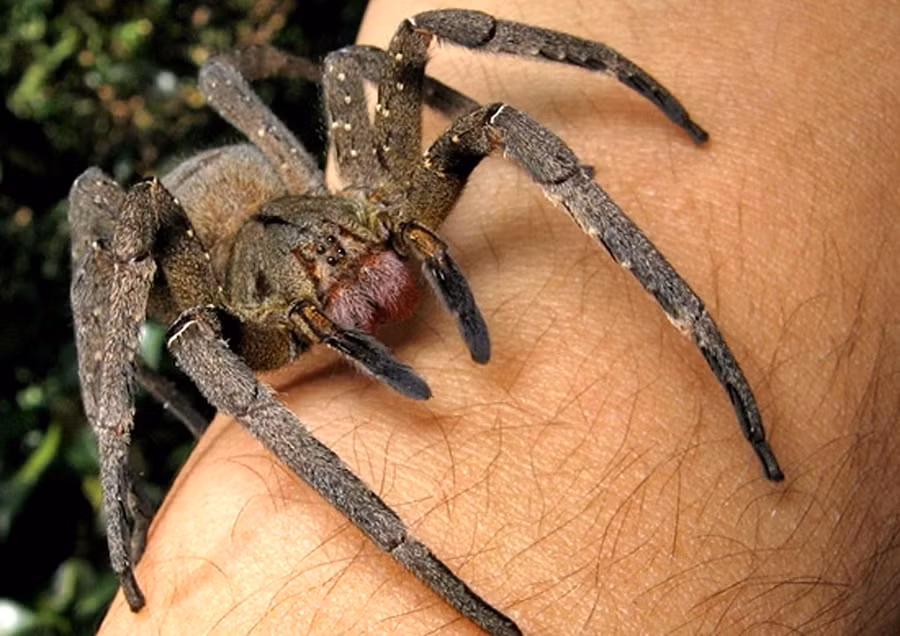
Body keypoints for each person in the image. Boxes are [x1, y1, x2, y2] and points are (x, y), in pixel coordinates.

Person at [100, 0, 900, 633]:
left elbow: (385, 61)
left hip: (289, 178)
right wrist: (118, 474)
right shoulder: (226, 323)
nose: (344, 263)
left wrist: (531, 86)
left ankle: (708, 346)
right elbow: (159, 303)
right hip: (218, 257)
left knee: (415, 65)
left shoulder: (385, 188)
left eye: (347, 243)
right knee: (132, 241)